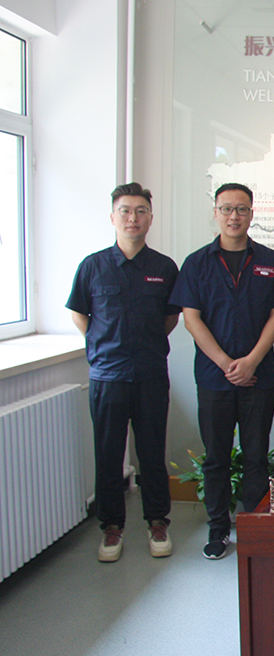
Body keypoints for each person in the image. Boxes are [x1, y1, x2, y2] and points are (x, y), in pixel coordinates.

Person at [170, 183, 274, 560]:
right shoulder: (196, 263)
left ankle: (254, 529)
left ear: (252, 214)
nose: (234, 216)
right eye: (226, 209)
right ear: (216, 213)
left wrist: (251, 360)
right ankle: (218, 529)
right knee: (216, 458)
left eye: (241, 209)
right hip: (213, 379)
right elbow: (192, 319)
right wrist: (226, 364)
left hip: (258, 377)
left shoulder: (271, 261)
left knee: (255, 457)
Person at [67, 182, 179, 562]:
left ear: (150, 217)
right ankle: (111, 527)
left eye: (141, 211)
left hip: (150, 374)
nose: (133, 218)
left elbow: (170, 318)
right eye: (126, 211)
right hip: (108, 377)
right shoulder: (92, 266)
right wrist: (104, 346)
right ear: (113, 217)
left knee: (152, 452)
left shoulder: (164, 268)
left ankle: (157, 522)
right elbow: (80, 314)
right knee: (108, 454)